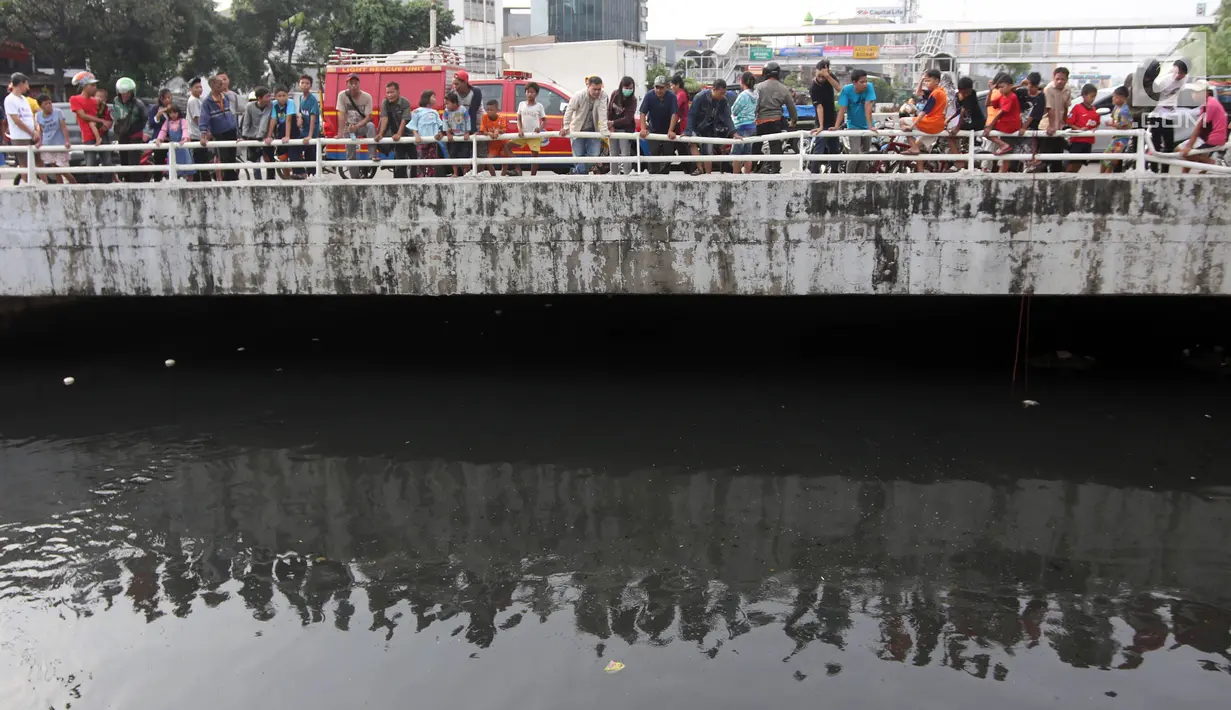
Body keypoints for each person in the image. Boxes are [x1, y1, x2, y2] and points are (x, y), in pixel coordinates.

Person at [821, 69, 876, 174]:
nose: (865, 84)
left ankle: (860, 177)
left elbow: (868, 107)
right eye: (862, 82)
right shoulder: (846, 90)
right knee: (854, 152)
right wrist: (836, 126)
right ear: (854, 82)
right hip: (853, 125)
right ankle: (849, 177)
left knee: (865, 154)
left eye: (866, 81)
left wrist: (870, 127)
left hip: (867, 125)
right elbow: (842, 110)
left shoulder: (869, 87)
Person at [560, 75, 608, 175]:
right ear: (588, 86)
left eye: (599, 89)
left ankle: (575, 172)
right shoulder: (579, 95)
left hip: (593, 129)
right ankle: (581, 177)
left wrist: (604, 130)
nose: (597, 92)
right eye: (594, 89)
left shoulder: (603, 95)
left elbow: (603, 112)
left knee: (594, 155)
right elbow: (569, 110)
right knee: (578, 157)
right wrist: (566, 126)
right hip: (577, 128)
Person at [685, 79, 734, 175]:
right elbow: (691, 114)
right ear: (714, 89)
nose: (723, 95)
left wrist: (734, 131)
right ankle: (700, 168)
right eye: (721, 93)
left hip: (709, 128)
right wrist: (688, 130)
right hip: (695, 126)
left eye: (724, 93)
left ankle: (708, 175)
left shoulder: (723, 100)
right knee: (692, 142)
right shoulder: (700, 97)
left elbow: (727, 117)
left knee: (708, 152)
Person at [754, 62, 797, 173]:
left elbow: (755, 104)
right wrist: (793, 120)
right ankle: (776, 169)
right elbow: (791, 106)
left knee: (756, 145)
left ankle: (752, 167)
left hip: (760, 122)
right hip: (775, 121)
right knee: (775, 146)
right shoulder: (783, 88)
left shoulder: (759, 87)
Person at [1178, 80, 1228, 173]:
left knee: (1187, 153)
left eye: (1198, 92)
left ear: (1206, 92)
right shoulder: (1205, 104)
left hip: (1212, 138)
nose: (1195, 94)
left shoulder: (1210, 104)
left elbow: (1199, 127)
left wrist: (1189, 146)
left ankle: (1210, 162)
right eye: (1194, 92)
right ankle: (1184, 176)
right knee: (1181, 151)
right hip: (1206, 136)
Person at [902, 69, 947, 170]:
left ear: (936, 81)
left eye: (928, 80)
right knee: (918, 149)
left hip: (931, 123)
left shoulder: (935, 94)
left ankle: (913, 149)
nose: (926, 83)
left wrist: (912, 126)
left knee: (901, 121)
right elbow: (918, 93)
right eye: (926, 81)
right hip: (938, 125)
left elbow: (924, 111)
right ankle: (920, 172)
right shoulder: (937, 92)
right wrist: (921, 80)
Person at [1149, 59, 1187, 173]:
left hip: (1169, 116)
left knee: (1169, 144)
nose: (1178, 76)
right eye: (1177, 73)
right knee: (1155, 144)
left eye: (1181, 73)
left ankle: (1165, 170)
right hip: (1156, 115)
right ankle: (1154, 169)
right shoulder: (1164, 81)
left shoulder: (1184, 79)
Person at [199, 74, 239, 181]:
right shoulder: (207, 102)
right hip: (219, 133)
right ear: (212, 85)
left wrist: (238, 133)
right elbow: (204, 119)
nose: (222, 86)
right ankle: (229, 180)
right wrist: (203, 136)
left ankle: (232, 179)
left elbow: (231, 114)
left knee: (232, 157)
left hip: (231, 130)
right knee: (224, 158)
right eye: (219, 84)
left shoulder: (225, 97)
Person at [68, 71, 107, 181]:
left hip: (102, 133)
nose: (95, 88)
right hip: (88, 136)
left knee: (107, 163)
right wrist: (101, 120)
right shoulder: (74, 99)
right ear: (84, 86)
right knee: (91, 164)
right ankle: (92, 187)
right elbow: (83, 116)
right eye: (92, 85)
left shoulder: (96, 101)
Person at [638, 75, 679, 174]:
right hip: (653, 129)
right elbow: (642, 112)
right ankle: (653, 176)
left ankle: (665, 177)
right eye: (657, 87)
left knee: (668, 155)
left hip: (667, 129)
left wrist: (670, 130)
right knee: (654, 153)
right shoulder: (649, 95)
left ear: (667, 87)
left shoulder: (672, 96)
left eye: (661, 87)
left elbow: (674, 114)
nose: (659, 90)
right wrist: (643, 129)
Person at [984, 73, 1023, 173]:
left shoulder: (1011, 97)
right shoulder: (1002, 96)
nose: (1001, 89)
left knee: (988, 132)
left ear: (1010, 86)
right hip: (1004, 124)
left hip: (1010, 125)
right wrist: (991, 90)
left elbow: (1000, 113)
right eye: (999, 87)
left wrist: (990, 127)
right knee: (1006, 153)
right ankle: (1003, 146)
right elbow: (987, 104)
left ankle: (1003, 146)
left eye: (1003, 87)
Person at [111, 77, 148, 181]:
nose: (125, 95)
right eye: (123, 92)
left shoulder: (139, 104)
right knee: (124, 159)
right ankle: (126, 180)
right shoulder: (115, 101)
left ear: (132, 92)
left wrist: (135, 128)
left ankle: (136, 183)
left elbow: (145, 118)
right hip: (122, 134)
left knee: (134, 161)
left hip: (135, 135)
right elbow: (115, 115)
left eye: (128, 92)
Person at [5, 74, 38, 184]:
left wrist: (36, 130)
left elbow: (30, 116)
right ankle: (27, 184)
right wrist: (31, 132)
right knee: (24, 163)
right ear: (21, 83)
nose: (27, 86)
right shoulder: (9, 99)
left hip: (32, 134)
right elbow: (17, 120)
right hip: (20, 136)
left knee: (38, 161)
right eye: (26, 83)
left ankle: (42, 183)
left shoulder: (24, 99)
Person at [375, 81, 413, 178]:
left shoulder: (405, 102)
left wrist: (399, 134)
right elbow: (384, 118)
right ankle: (398, 181)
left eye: (392, 92)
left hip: (407, 134)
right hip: (394, 135)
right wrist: (380, 134)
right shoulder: (385, 102)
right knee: (399, 160)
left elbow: (404, 120)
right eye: (387, 93)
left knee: (413, 159)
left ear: (398, 91)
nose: (389, 95)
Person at [808, 59, 840, 173]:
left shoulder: (829, 78)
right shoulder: (814, 87)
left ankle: (835, 172)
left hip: (833, 120)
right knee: (819, 148)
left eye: (824, 76)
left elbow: (838, 88)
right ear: (816, 71)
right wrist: (821, 126)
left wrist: (828, 76)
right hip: (821, 121)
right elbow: (819, 107)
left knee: (834, 148)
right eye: (820, 75)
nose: (822, 78)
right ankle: (814, 172)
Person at [1037, 67, 1071, 173]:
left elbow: (1066, 107)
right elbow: (1049, 108)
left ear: (1067, 79)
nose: (1060, 81)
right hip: (1047, 126)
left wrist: (1065, 123)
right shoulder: (1048, 89)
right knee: (1044, 159)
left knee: (1057, 159)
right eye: (1057, 79)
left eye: (1063, 79)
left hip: (1059, 128)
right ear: (1053, 78)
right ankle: (1041, 184)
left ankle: (1055, 185)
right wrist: (1051, 126)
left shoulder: (1067, 89)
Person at [336, 73, 376, 163]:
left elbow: (368, 116)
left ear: (359, 84)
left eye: (356, 83)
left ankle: (372, 155)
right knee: (350, 157)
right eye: (351, 83)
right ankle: (354, 176)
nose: (354, 85)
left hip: (362, 126)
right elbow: (341, 114)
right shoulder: (342, 95)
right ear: (347, 84)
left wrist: (356, 126)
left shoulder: (367, 97)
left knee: (371, 126)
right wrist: (340, 132)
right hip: (349, 127)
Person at [36, 94, 75, 184]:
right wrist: (40, 142)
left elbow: (63, 127)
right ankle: (60, 186)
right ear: (41, 106)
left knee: (60, 168)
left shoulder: (58, 112)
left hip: (59, 143)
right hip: (48, 144)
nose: (49, 105)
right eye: (46, 104)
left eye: (50, 103)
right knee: (55, 169)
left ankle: (74, 183)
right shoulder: (38, 116)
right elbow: (40, 130)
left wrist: (67, 140)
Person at [407, 89, 444, 177]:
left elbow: (440, 125)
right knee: (421, 163)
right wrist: (416, 135)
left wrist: (439, 133)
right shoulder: (417, 111)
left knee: (432, 162)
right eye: (433, 97)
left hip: (432, 142)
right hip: (421, 142)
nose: (435, 99)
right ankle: (421, 179)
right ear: (427, 98)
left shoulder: (435, 112)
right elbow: (413, 125)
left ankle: (431, 178)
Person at [151, 103, 193, 179]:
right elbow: (163, 131)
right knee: (173, 168)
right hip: (173, 148)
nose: (173, 115)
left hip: (182, 147)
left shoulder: (183, 121)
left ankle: (190, 185)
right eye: (170, 113)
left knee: (188, 168)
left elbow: (185, 130)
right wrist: (159, 139)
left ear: (178, 113)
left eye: (175, 112)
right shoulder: (167, 122)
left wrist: (184, 139)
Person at [515, 82, 548, 177]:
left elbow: (544, 120)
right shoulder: (521, 104)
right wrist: (520, 129)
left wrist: (540, 128)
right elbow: (518, 118)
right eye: (528, 92)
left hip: (534, 135)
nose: (530, 94)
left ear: (536, 94)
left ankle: (532, 177)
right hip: (523, 134)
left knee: (534, 157)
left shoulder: (539, 106)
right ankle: (517, 169)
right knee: (507, 147)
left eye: (532, 92)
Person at [949, 76, 985, 161]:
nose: (966, 94)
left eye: (968, 92)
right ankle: (960, 159)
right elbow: (958, 111)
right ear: (959, 90)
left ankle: (959, 161)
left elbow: (962, 112)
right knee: (954, 136)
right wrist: (949, 119)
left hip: (977, 123)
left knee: (950, 135)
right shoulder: (957, 96)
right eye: (964, 92)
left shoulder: (972, 95)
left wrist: (957, 127)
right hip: (968, 122)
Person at [1065, 83, 1100, 173]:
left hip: (1088, 141)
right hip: (1078, 141)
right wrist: (1078, 129)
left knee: (1080, 163)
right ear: (1084, 95)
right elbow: (1069, 122)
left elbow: (1096, 123)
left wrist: (1094, 128)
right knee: (1073, 163)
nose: (1093, 99)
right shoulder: (1077, 108)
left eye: (1094, 96)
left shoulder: (1094, 109)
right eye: (1091, 96)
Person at [608, 76, 638, 175]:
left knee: (625, 154)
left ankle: (626, 175)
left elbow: (628, 118)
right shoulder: (614, 94)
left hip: (625, 130)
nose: (628, 90)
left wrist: (613, 123)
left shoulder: (633, 100)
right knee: (613, 153)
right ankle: (614, 175)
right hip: (612, 129)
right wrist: (610, 124)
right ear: (621, 87)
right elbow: (609, 109)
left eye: (630, 88)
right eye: (626, 88)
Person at [241, 87, 274, 179]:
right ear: (259, 98)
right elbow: (246, 122)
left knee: (270, 159)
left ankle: (271, 179)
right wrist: (244, 136)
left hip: (266, 136)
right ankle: (257, 180)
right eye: (267, 97)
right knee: (255, 161)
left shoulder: (271, 105)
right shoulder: (249, 107)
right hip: (253, 136)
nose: (269, 99)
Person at [265, 86, 297, 179]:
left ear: (287, 96)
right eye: (279, 96)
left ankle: (297, 172)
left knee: (293, 154)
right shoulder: (274, 104)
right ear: (275, 97)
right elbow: (273, 120)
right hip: (280, 132)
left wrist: (287, 136)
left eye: (284, 95)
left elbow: (289, 120)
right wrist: (269, 136)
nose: (282, 98)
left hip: (292, 131)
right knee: (282, 157)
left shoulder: (290, 103)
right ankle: (287, 177)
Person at [730, 71, 758, 175]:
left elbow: (734, 110)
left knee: (736, 154)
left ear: (741, 81)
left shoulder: (743, 95)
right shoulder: (755, 94)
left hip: (741, 126)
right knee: (747, 153)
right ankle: (747, 175)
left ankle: (736, 176)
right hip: (752, 126)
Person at [1101, 86, 1133, 174]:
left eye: (1115, 97)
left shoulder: (1124, 110)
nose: (1113, 99)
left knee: (1111, 161)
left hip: (1122, 139)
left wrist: (1111, 124)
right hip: (1116, 138)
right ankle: (1101, 178)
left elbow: (1123, 125)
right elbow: (1113, 118)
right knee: (1105, 159)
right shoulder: (1116, 108)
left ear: (1122, 98)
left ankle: (1104, 180)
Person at [293, 74, 320, 177]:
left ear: (311, 85)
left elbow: (313, 118)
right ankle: (303, 172)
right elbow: (300, 113)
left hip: (312, 131)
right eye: (302, 83)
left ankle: (311, 174)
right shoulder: (300, 98)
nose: (304, 85)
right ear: (299, 84)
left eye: (307, 83)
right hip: (303, 130)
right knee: (296, 150)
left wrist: (310, 135)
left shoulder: (312, 99)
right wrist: (299, 118)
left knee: (310, 153)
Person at [185, 78, 211, 180]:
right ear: (191, 89)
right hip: (197, 136)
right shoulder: (193, 101)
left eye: (200, 87)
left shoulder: (198, 100)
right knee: (201, 163)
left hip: (199, 135)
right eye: (196, 87)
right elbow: (197, 119)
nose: (199, 89)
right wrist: (206, 132)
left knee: (200, 162)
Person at [146, 89, 174, 181]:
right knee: (159, 160)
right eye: (165, 98)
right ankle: (157, 179)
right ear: (161, 99)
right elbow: (151, 124)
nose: (167, 100)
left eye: (169, 97)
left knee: (173, 160)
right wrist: (158, 115)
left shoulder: (174, 108)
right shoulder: (155, 108)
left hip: (172, 139)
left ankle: (173, 179)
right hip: (159, 139)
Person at [442, 92, 471, 177]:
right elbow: (445, 122)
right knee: (453, 155)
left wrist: (467, 132)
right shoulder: (446, 112)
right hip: (453, 136)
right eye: (445, 104)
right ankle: (455, 173)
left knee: (465, 155)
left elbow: (468, 120)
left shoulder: (462, 109)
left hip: (463, 137)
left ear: (454, 103)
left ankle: (465, 173)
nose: (446, 106)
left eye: (447, 103)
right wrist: (448, 133)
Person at [479, 99, 511, 177]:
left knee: (505, 162)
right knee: (488, 161)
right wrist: (489, 133)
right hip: (493, 146)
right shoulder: (484, 117)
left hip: (503, 144)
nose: (489, 111)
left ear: (497, 110)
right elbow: (483, 130)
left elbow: (504, 130)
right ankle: (493, 177)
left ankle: (502, 177)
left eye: (491, 110)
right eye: (488, 110)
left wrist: (497, 130)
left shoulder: (501, 117)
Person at [671, 75, 691, 162]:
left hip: (683, 124)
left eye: (672, 85)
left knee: (683, 147)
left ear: (677, 85)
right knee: (682, 147)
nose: (671, 87)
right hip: (683, 122)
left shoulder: (681, 94)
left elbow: (674, 108)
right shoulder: (682, 93)